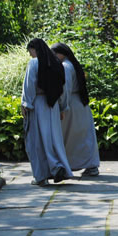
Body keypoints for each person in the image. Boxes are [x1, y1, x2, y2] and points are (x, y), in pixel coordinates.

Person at [21, 38, 74, 186]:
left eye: (30, 51)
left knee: (36, 140)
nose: (30, 55)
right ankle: (57, 166)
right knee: (53, 139)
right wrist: (62, 107)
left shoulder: (34, 63)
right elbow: (62, 89)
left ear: (34, 49)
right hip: (53, 106)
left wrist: (26, 104)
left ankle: (41, 176)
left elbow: (30, 84)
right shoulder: (57, 64)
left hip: (38, 105)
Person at [51, 42, 101, 177]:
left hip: (71, 105)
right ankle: (91, 165)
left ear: (62, 53)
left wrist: (63, 106)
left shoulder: (65, 66)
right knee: (84, 136)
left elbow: (65, 89)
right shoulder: (72, 64)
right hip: (80, 104)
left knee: (70, 137)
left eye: (54, 54)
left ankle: (72, 164)